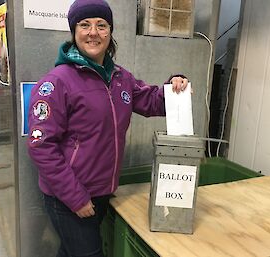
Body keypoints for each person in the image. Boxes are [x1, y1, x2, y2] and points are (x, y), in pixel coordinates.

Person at [27, 0, 189, 256]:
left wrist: (175, 88)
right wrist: (75, 197)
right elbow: (41, 147)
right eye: (85, 24)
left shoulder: (120, 78)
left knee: (72, 252)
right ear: (74, 32)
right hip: (69, 197)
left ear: (110, 32)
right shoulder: (56, 83)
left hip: (101, 191)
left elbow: (150, 101)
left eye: (101, 25)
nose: (93, 32)